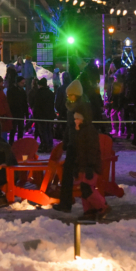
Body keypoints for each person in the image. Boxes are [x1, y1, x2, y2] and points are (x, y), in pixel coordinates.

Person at [53, 79, 91, 213]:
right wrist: (66, 141)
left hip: (77, 145)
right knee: (69, 174)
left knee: (74, 174)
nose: (68, 97)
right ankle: (66, 201)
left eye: (70, 95)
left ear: (77, 94)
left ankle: (67, 202)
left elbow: (80, 128)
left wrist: (72, 142)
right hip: (72, 144)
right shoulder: (72, 106)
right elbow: (69, 128)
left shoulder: (80, 108)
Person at [73, 103, 110, 221]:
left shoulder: (89, 131)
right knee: (84, 188)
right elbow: (79, 151)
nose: (75, 121)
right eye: (75, 119)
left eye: (77, 118)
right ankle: (89, 211)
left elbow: (92, 150)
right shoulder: (80, 131)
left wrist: (90, 166)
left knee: (87, 187)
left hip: (91, 165)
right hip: (83, 165)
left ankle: (102, 206)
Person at [33, 77, 56, 153]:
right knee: (49, 130)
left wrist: (35, 115)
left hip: (41, 116)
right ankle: (50, 145)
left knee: (43, 131)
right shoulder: (50, 93)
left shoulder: (38, 93)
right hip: (49, 115)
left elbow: (36, 106)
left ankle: (45, 145)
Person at [7, 76, 29, 144]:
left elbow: (25, 103)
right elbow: (10, 102)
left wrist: (26, 113)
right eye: (22, 83)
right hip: (14, 112)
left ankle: (20, 142)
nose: (23, 84)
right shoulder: (11, 90)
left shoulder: (22, 91)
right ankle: (11, 143)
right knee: (13, 129)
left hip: (21, 113)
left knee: (20, 129)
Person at [54, 71, 72, 139]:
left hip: (63, 112)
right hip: (72, 111)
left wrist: (59, 110)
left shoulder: (60, 89)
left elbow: (57, 101)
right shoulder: (73, 88)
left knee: (64, 129)